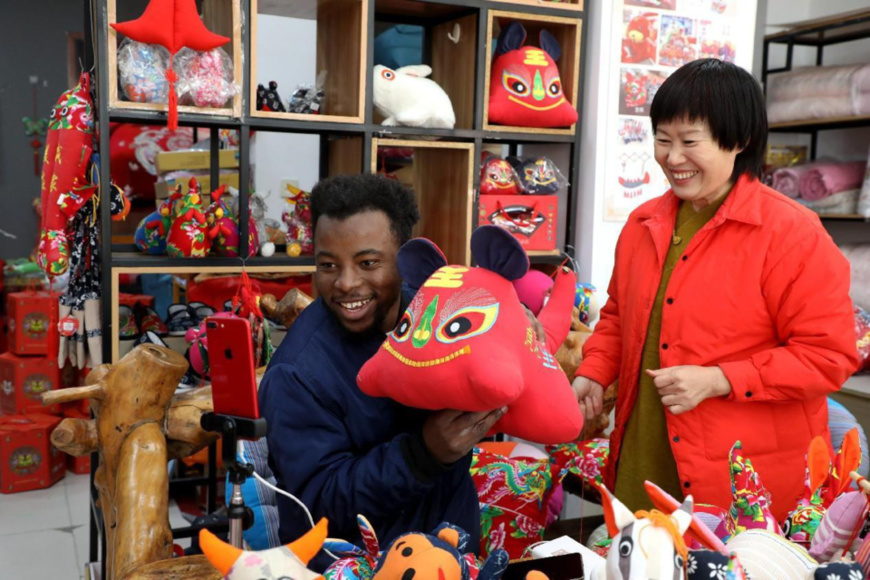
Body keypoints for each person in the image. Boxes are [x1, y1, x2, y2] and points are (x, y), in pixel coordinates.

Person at [572, 59, 859, 518]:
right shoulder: (643, 223)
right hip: (642, 459)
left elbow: (829, 356)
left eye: (689, 142)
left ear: (739, 140)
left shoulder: (790, 232)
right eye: (663, 140)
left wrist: (721, 379)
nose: (672, 157)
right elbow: (620, 317)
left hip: (742, 483)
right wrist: (593, 372)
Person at [258, 174, 505, 571]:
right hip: (362, 567)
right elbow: (320, 505)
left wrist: (518, 330)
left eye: (368, 263)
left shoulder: (439, 315)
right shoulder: (296, 373)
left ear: (404, 257)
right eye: (328, 265)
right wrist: (423, 454)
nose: (346, 283)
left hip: (454, 552)